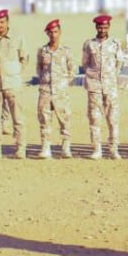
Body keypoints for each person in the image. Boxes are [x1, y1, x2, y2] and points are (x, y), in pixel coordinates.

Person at [0, 9, 28, 159]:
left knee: (18, 118)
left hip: (13, 84)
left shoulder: (18, 37)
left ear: (7, 22)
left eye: (2, 22)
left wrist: (14, 73)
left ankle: (20, 148)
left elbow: (24, 58)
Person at [81, 14, 126, 160]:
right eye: (100, 27)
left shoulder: (115, 43)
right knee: (95, 119)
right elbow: (85, 63)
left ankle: (113, 149)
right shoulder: (89, 44)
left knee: (113, 120)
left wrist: (112, 76)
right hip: (94, 87)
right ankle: (97, 150)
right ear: (96, 27)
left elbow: (120, 62)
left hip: (110, 87)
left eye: (105, 27)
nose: (102, 29)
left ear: (109, 27)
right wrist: (92, 76)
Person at [36, 19, 74, 159]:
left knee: (64, 119)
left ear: (60, 32)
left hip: (61, 92)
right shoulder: (42, 51)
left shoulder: (66, 51)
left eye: (56, 32)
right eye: (50, 32)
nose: (53, 35)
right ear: (47, 34)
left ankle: (66, 147)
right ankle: (46, 147)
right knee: (44, 119)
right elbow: (39, 69)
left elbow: (72, 70)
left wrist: (63, 83)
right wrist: (45, 82)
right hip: (45, 91)